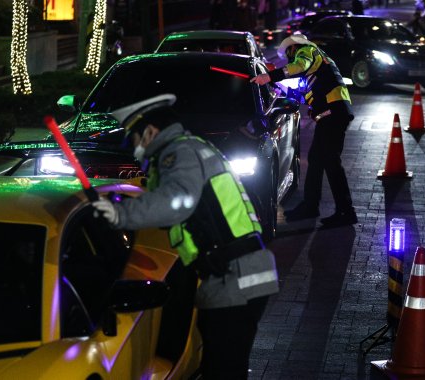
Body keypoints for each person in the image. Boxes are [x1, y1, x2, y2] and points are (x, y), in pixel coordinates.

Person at [92, 94, 279, 380]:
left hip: (234, 278)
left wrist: (121, 214)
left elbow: (176, 201)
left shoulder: (179, 153)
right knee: (225, 368)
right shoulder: (191, 149)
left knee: (223, 372)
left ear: (151, 131)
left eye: (134, 138)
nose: (133, 148)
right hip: (237, 274)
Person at [251, 34, 357, 227]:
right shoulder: (317, 64)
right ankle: (310, 206)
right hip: (331, 113)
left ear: (294, 47)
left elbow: (299, 66)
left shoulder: (307, 51)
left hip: (333, 112)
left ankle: (346, 211)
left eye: (289, 53)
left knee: (331, 163)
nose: (289, 58)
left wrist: (270, 76)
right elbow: (304, 92)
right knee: (317, 161)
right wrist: (280, 89)